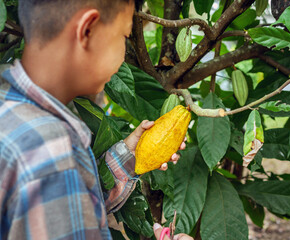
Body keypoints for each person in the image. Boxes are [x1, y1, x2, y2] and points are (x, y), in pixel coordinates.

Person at [0, 0, 193, 239]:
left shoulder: (10, 109)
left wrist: (131, 155)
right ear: (87, 30)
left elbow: (75, 206)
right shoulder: (52, 149)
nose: (124, 53)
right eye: (123, 36)